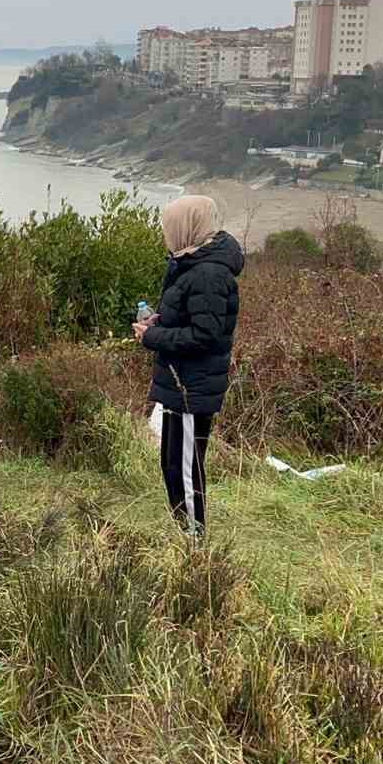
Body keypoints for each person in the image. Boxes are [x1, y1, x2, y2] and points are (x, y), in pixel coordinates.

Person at [133, 195, 242, 536]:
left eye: (170, 226)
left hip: (192, 387)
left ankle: (194, 543)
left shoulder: (207, 273)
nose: (166, 233)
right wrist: (159, 322)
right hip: (180, 383)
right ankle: (185, 534)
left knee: (184, 469)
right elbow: (193, 318)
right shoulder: (191, 263)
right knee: (172, 464)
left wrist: (153, 337)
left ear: (187, 227)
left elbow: (204, 335)